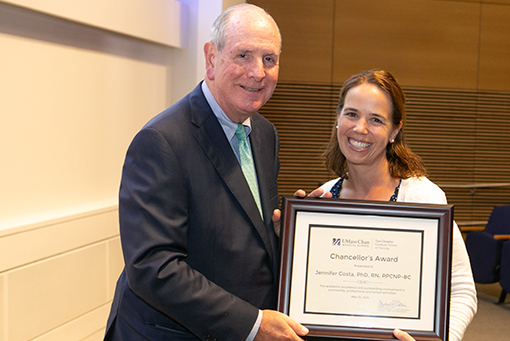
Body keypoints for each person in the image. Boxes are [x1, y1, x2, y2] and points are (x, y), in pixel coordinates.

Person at [104, 4, 308, 341]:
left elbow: (243, 228)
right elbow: (153, 267)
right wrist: (253, 323)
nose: (258, 72)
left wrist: (292, 227)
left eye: (269, 59)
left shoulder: (264, 134)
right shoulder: (162, 141)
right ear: (211, 57)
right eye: (243, 55)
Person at [302, 69, 478, 341]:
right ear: (337, 118)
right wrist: (291, 239)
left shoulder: (422, 198)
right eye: (351, 114)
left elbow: (461, 289)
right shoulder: (323, 197)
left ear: (394, 130)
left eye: (375, 119)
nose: (360, 128)